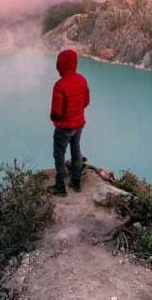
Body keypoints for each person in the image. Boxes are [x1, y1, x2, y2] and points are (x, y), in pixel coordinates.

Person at [49, 49, 90, 196]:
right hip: (79, 124)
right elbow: (86, 101)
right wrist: (76, 112)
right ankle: (76, 182)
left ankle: (60, 187)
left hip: (64, 127)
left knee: (59, 154)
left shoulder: (59, 86)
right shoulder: (82, 80)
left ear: (60, 65)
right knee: (76, 150)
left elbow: (56, 112)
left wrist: (55, 119)